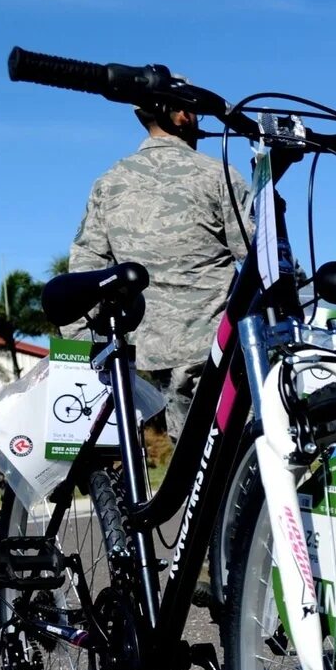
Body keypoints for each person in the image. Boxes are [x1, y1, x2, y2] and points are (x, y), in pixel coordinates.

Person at [68, 98, 252, 440]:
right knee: (246, 457)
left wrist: (81, 350)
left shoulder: (109, 183)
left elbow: (85, 269)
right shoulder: (216, 174)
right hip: (218, 349)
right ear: (183, 116)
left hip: (154, 357)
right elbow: (258, 254)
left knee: (191, 466)